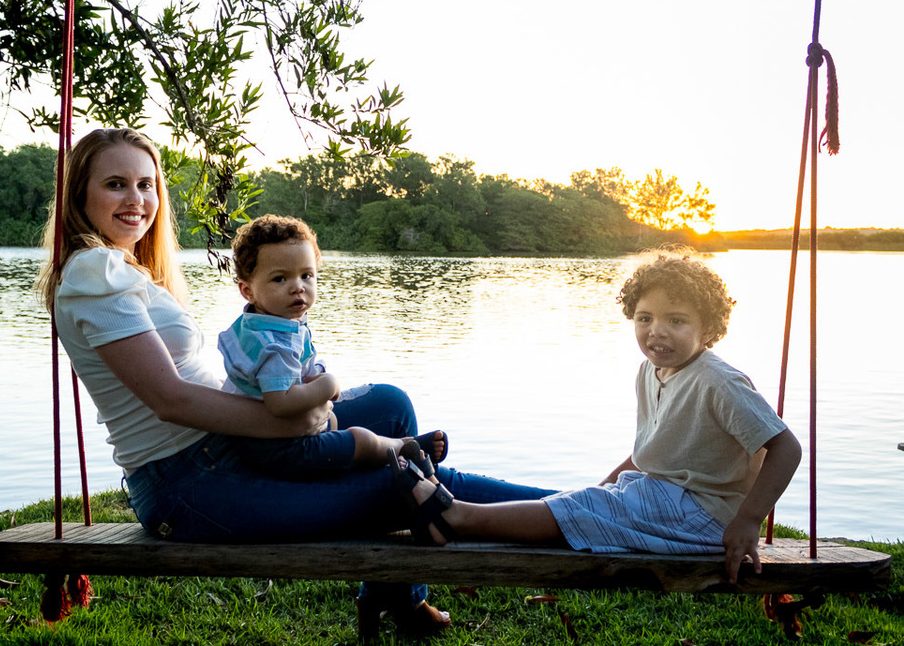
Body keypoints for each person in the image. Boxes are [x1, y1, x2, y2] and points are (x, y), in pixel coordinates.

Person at [39, 127, 552, 640]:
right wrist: (282, 423)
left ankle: (396, 597)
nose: (137, 199)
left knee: (390, 408)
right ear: (81, 195)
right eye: (116, 184)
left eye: (147, 184)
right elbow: (168, 399)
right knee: (410, 481)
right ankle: (581, 508)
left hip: (225, 448)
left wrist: (291, 411)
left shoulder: (123, 270)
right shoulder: (94, 273)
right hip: (190, 484)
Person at [389, 248, 802, 584]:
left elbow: (786, 447)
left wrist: (748, 521)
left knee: (582, 509)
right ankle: (455, 511)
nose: (657, 331)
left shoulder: (718, 381)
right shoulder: (650, 371)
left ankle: (455, 516)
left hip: (706, 516)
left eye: (676, 321)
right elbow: (650, 451)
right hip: (664, 496)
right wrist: (604, 484)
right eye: (646, 319)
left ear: (709, 328)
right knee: (583, 501)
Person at [217, 213, 448, 477]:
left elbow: (289, 373)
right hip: (275, 449)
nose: (297, 287)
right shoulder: (272, 343)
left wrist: (314, 376)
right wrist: (328, 385)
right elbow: (280, 403)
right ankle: (401, 449)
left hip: (261, 436)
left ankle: (411, 470)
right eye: (280, 279)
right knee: (361, 440)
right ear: (248, 290)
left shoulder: (264, 323)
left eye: (306, 275)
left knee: (337, 420)